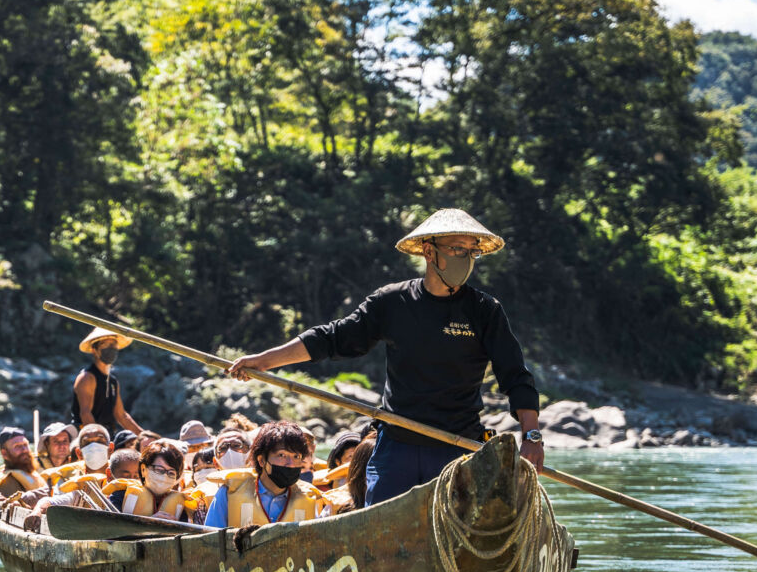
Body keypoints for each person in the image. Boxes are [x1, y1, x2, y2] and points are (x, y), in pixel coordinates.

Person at [227, 208, 542, 507]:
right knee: (383, 524)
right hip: (398, 443)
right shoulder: (393, 302)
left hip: (457, 444)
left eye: (472, 251)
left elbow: (515, 374)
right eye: (458, 249)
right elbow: (333, 337)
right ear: (429, 252)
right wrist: (265, 361)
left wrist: (531, 434)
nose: (467, 259)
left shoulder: (485, 310)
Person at [202, 421, 330, 528]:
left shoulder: (308, 498)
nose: (291, 464)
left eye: (296, 456)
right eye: (282, 455)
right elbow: (210, 544)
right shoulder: (229, 493)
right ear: (261, 460)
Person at [71, 329, 142, 435]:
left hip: (108, 436)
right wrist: (99, 439)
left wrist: (144, 436)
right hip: (87, 436)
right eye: (106, 345)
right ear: (94, 350)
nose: (111, 348)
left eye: (114, 344)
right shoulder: (87, 378)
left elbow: (122, 416)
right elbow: (85, 414)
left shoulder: (113, 382)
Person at [0, 427, 48, 505]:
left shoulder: (35, 472)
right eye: (17, 446)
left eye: (25, 445)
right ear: (4, 454)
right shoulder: (7, 482)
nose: (24, 449)